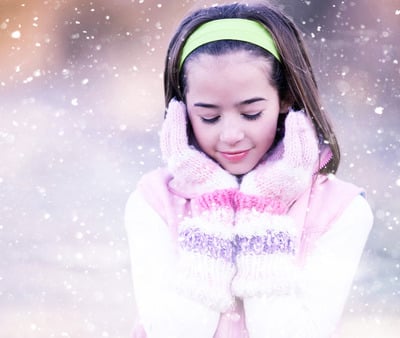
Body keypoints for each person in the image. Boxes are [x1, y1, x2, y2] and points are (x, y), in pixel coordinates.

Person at [124, 2, 373, 337]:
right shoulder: (152, 201)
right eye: (209, 116)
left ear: (285, 98)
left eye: (251, 113)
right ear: (181, 111)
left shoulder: (342, 210)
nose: (230, 135)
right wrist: (213, 214)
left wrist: (262, 216)